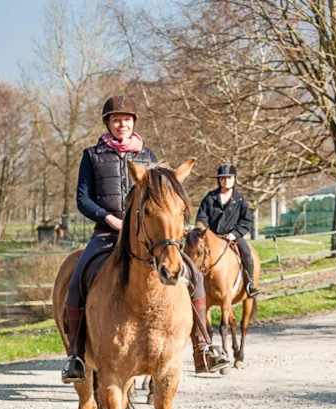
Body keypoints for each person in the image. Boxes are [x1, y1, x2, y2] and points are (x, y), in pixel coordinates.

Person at [61, 96, 230, 383]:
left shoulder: (148, 157)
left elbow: (162, 200)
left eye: (127, 120)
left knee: (195, 276)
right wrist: (108, 218)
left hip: (148, 236)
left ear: (134, 123)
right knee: (76, 280)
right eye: (116, 120)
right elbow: (82, 199)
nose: (122, 124)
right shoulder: (92, 156)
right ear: (107, 123)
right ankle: (76, 356)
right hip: (107, 233)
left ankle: (203, 346)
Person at [195, 163, 259, 298]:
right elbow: (201, 217)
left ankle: (250, 283)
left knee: (247, 253)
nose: (226, 180)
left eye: (229, 178)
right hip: (212, 236)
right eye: (223, 178)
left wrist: (234, 234)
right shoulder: (210, 198)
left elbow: (246, 221)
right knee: (195, 253)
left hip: (233, 236)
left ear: (234, 179)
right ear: (219, 180)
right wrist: (205, 231)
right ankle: (192, 285)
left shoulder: (240, 200)